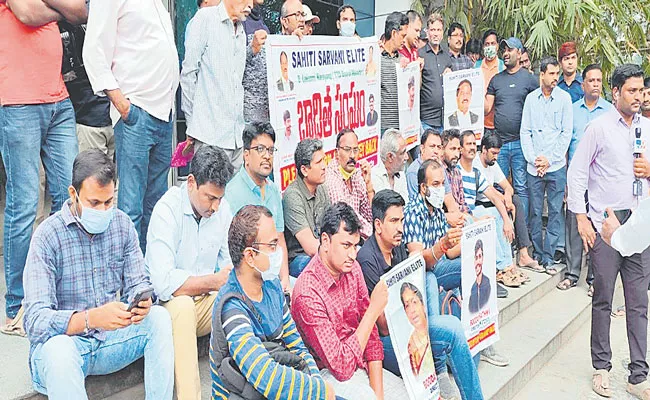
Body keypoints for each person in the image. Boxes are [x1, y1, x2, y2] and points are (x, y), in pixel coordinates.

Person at [23, 149, 173, 399]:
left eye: (109, 202)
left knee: (158, 318)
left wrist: (142, 301)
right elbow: (36, 322)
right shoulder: (47, 236)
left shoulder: (122, 224)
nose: (103, 210)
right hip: (66, 348)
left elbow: (138, 282)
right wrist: (90, 318)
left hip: (109, 341)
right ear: (73, 194)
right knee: (59, 350)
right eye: (94, 203)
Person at [1, 0, 85, 330]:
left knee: (68, 199)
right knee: (23, 204)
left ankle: (49, 289)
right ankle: (17, 306)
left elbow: (81, 11)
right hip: (18, 100)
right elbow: (26, 12)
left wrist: (57, 7)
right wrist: (61, 8)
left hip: (58, 98)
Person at [568, 64, 650, 400]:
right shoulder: (597, 129)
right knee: (603, 298)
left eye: (641, 90)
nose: (639, 97)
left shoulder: (647, 128)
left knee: (638, 302)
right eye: (632, 91)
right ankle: (601, 368)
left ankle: (639, 375)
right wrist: (581, 219)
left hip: (639, 224)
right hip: (605, 224)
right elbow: (577, 175)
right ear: (615, 92)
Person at [358, 189, 484, 400]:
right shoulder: (367, 259)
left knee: (437, 293)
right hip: (387, 344)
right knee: (450, 328)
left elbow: (419, 263)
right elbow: (383, 328)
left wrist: (442, 245)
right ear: (378, 225)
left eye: (402, 220)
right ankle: (439, 367)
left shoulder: (395, 246)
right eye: (394, 221)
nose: (400, 228)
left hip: (409, 328)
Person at [210, 205, 337, 400]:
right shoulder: (232, 307)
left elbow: (297, 346)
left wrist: (317, 384)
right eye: (272, 245)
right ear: (250, 256)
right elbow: (265, 376)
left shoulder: (272, 286)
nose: (278, 251)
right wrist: (318, 391)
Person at [84, 0, 179, 252]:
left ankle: (152, 272)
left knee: (156, 207)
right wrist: (123, 106)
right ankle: (130, 281)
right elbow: (93, 50)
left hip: (163, 114)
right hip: (136, 113)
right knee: (131, 207)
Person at [292, 202, 408, 399]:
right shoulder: (307, 293)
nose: (353, 255)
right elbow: (341, 367)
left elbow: (371, 337)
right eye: (346, 245)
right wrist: (373, 310)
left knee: (409, 394)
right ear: (326, 241)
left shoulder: (352, 268)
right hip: (326, 373)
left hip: (359, 358)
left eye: (356, 246)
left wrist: (378, 394)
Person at [145, 146, 234, 400]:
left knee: (235, 300)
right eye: (210, 198)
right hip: (165, 307)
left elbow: (229, 263)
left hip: (204, 302)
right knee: (182, 305)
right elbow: (163, 284)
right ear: (191, 183)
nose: (215, 206)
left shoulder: (222, 208)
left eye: (219, 198)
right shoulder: (167, 210)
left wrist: (223, 282)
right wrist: (214, 281)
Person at [557, 64, 613, 293]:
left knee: (597, 227)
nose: (596, 85)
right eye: (592, 81)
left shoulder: (609, 111)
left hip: (600, 179)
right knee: (574, 225)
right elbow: (565, 144)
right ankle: (572, 273)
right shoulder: (572, 110)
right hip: (577, 177)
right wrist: (567, 181)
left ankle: (593, 279)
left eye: (599, 81)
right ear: (583, 84)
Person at [521, 57, 572, 274]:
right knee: (534, 211)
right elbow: (526, 132)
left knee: (554, 212)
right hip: (534, 167)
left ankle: (549, 257)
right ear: (541, 74)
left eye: (556, 74)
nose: (555, 78)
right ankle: (538, 254)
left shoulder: (564, 99)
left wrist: (549, 159)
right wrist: (535, 160)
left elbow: (566, 133)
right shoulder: (531, 100)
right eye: (551, 74)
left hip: (556, 166)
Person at [225, 122, 290, 289]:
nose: (267, 156)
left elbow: (280, 239)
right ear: (246, 155)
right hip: (246, 279)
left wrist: (285, 281)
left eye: (270, 150)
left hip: (272, 274)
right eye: (260, 149)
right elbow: (230, 251)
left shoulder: (274, 191)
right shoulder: (231, 194)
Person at [484, 36, 539, 224]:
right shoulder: (496, 80)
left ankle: (520, 230)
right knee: (498, 188)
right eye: (504, 51)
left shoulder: (530, 79)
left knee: (521, 187)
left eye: (510, 50)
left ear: (519, 53)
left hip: (520, 143)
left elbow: (539, 105)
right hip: (499, 144)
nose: (505, 54)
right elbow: (486, 108)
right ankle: (502, 228)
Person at [457, 131, 521, 288]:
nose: (472, 147)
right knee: (489, 217)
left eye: (474, 144)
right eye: (468, 144)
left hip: (475, 211)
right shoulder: (455, 170)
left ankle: (508, 266)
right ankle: (501, 268)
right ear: (460, 149)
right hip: (464, 214)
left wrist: (507, 220)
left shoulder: (475, 172)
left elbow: (493, 195)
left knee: (499, 215)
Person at [475, 133, 540, 273]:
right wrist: (505, 200)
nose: (496, 157)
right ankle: (507, 261)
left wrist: (508, 198)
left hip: (494, 200)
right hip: (481, 202)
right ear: (484, 149)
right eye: (493, 153)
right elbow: (489, 190)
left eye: (498, 153)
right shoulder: (476, 163)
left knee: (516, 200)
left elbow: (508, 187)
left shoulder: (493, 163)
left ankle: (523, 254)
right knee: (509, 205)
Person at [59, 22, 114, 158]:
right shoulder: (106, 24)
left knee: (92, 175)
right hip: (115, 113)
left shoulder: (65, 26)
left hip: (88, 117)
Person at [283, 139, 331, 278]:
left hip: (323, 250)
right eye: (318, 162)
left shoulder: (322, 188)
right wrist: (337, 256)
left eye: (324, 160)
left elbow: (332, 227)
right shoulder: (292, 196)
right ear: (304, 170)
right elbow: (310, 248)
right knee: (314, 265)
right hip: (300, 259)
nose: (324, 166)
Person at [325, 129, 374, 239]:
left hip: (357, 237)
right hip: (341, 239)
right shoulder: (331, 179)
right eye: (347, 150)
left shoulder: (355, 174)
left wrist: (369, 186)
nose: (352, 155)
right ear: (336, 153)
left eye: (355, 150)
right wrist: (377, 236)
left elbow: (369, 216)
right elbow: (348, 218)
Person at [405, 129, 459, 216]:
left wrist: (457, 217)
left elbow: (449, 199)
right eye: (432, 146)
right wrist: (447, 218)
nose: (436, 151)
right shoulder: (413, 172)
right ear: (422, 149)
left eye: (439, 147)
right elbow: (417, 211)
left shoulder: (439, 167)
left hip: (441, 216)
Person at [419, 13, 452, 132]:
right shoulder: (420, 55)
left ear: (443, 32)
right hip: (426, 120)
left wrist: (451, 75)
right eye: (432, 30)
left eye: (438, 30)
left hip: (445, 119)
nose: (436, 33)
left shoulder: (447, 55)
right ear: (427, 32)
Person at [381, 11, 410, 133]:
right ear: (393, 33)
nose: (404, 40)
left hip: (402, 127)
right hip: (382, 128)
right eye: (403, 36)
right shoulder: (376, 58)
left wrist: (412, 71)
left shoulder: (403, 60)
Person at [243, 0, 271, 123]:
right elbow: (229, 64)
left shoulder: (262, 23)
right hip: (249, 115)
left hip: (267, 112)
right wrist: (251, 49)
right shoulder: (239, 22)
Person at [401, 283, 436, 377]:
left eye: (414, 302)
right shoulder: (411, 345)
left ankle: (440, 368)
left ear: (423, 304)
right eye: (407, 306)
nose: (412, 310)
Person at [475, 29, 505, 136]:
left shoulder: (503, 67)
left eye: (493, 43)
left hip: (498, 124)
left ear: (497, 46)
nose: (490, 47)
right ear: (483, 47)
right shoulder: (476, 68)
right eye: (487, 44)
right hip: (479, 124)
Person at [372, 129, 409, 202]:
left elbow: (406, 204)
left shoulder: (400, 172)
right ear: (390, 157)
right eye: (402, 153)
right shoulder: (375, 177)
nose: (407, 157)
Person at [469, 239, 490, 314]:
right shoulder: (471, 287)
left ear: (483, 258)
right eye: (476, 258)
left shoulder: (487, 282)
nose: (478, 262)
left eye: (480, 257)